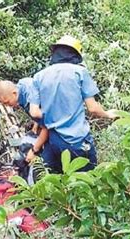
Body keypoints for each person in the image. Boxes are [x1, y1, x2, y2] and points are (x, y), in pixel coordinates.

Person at [29, 35, 118, 173]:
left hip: (53, 141)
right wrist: (108, 114)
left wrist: (51, 118)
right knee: (87, 183)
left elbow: (34, 112)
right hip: (76, 141)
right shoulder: (79, 73)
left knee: (58, 186)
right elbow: (93, 108)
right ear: (75, 55)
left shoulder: (39, 76)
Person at [0, 79, 49, 162]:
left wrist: (34, 151)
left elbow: (48, 126)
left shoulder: (28, 99)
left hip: (61, 128)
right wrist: (37, 122)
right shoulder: (22, 85)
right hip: (49, 122)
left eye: (7, 102)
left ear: (14, 93)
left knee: (48, 160)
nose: (8, 106)